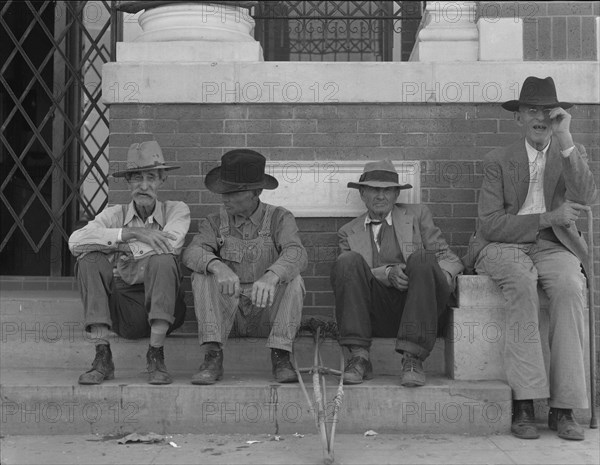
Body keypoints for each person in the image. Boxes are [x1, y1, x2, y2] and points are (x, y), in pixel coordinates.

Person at [464, 76, 597, 441]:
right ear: (518, 118)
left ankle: (564, 407)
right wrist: (545, 218)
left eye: (546, 110)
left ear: (557, 114)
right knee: (522, 284)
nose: (540, 118)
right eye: (531, 110)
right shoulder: (498, 161)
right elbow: (490, 224)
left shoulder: (570, 151)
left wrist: (566, 139)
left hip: (554, 245)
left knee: (571, 286)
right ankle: (526, 401)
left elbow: (587, 197)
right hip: (503, 245)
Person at [331, 160, 463, 387]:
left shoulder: (418, 215)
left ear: (396, 194)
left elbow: (450, 259)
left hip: (419, 307)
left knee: (422, 258)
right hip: (376, 313)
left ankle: (413, 359)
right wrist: (387, 272)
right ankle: (359, 356)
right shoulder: (348, 232)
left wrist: (437, 278)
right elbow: (351, 279)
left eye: (387, 190)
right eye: (374, 189)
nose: (381, 196)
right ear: (362, 193)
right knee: (347, 261)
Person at [69, 141, 190, 385]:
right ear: (128, 182)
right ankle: (102, 357)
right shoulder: (114, 214)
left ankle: (156, 355)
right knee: (89, 260)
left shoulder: (176, 210)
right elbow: (75, 243)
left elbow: (171, 244)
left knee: (163, 259)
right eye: (136, 178)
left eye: (151, 177)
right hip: (123, 310)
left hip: (165, 306)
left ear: (162, 180)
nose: (144, 186)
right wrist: (130, 234)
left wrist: (115, 245)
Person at [182, 149, 307, 385]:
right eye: (223, 191)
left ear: (257, 192)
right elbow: (192, 252)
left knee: (294, 279)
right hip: (230, 316)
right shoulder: (214, 222)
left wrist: (272, 275)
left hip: (266, 313)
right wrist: (217, 266)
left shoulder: (280, 218)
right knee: (203, 275)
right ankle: (212, 357)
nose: (225, 198)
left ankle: (281, 355)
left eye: (233, 192)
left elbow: (297, 253)